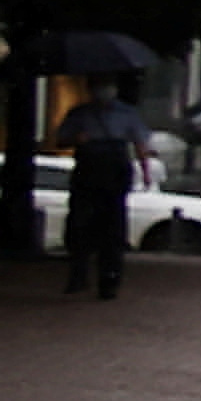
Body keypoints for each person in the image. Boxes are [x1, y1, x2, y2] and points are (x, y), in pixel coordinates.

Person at [51, 84, 145, 299]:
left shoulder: (127, 113)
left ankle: (109, 280)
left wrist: (145, 169)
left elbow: (140, 142)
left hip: (114, 170)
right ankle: (78, 274)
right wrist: (76, 139)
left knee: (113, 228)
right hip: (88, 170)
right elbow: (61, 139)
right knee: (80, 225)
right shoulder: (80, 114)